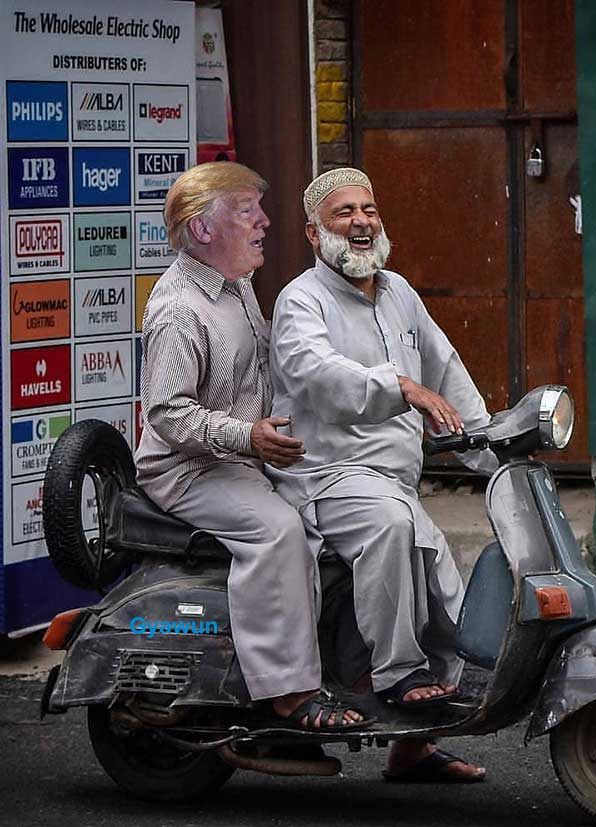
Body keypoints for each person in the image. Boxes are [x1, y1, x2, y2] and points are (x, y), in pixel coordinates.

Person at [267, 167, 494, 782]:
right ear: (315, 234)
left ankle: (414, 748)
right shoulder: (300, 301)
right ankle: (396, 677)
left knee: (444, 581)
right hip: (328, 474)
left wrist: (492, 451)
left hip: (390, 479)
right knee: (394, 529)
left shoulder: (398, 292)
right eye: (344, 212)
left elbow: (447, 373)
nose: (362, 221)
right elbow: (317, 375)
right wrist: (401, 388)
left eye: (369, 209)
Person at [135, 161, 368, 732]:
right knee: (279, 530)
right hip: (188, 470)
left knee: (330, 512)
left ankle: (339, 668)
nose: (264, 221)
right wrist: (248, 437)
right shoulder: (178, 309)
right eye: (247, 211)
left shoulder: (236, 285)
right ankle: (286, 695)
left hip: (240, 457)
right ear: (203, 229)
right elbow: (166, 414)